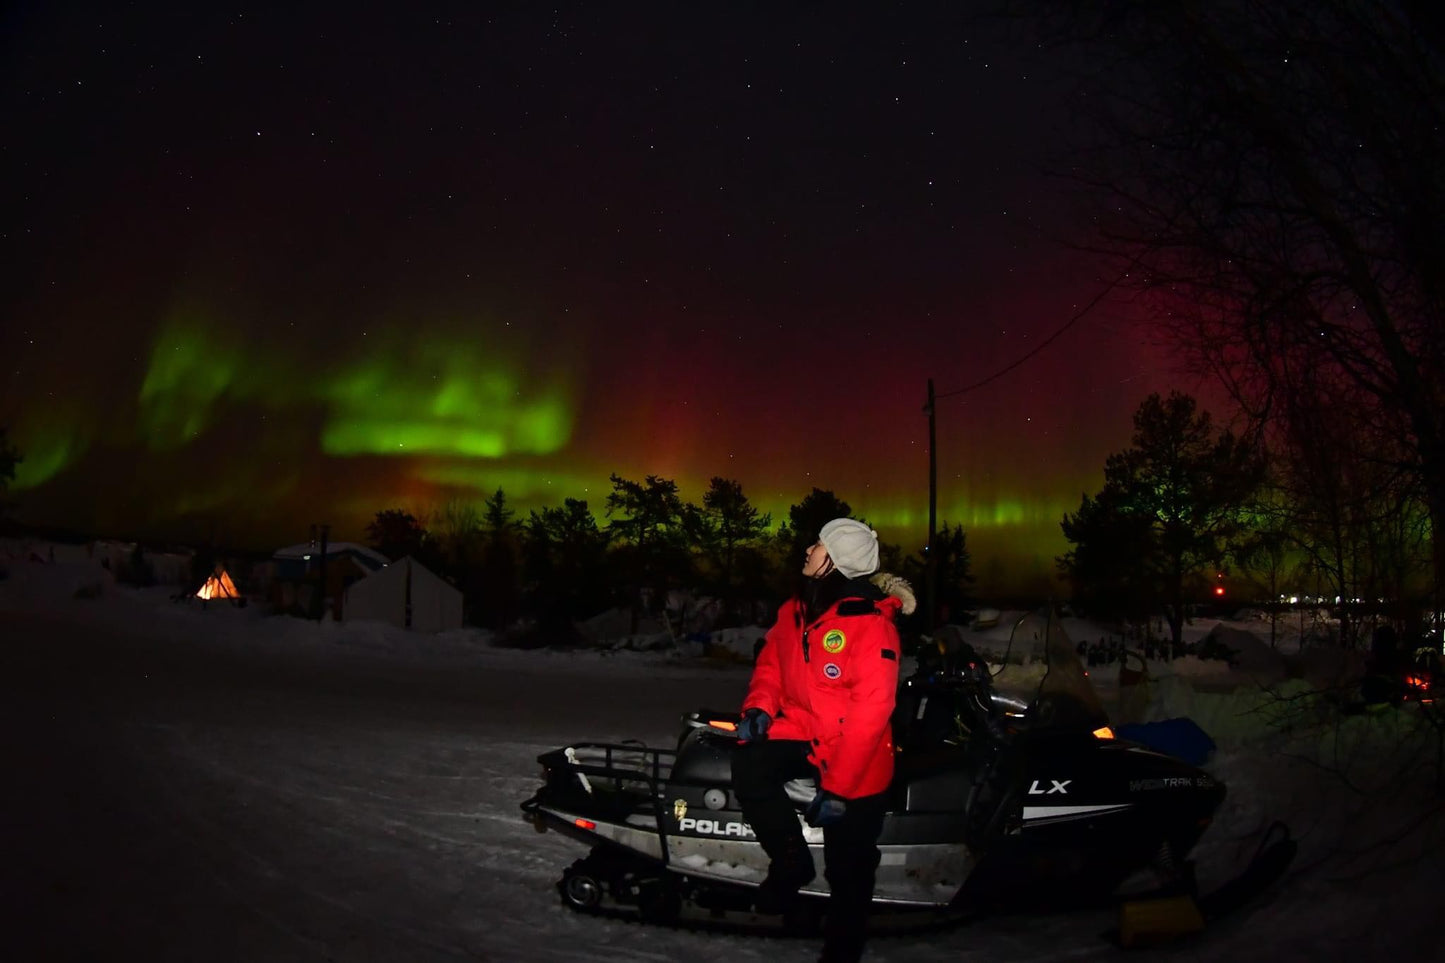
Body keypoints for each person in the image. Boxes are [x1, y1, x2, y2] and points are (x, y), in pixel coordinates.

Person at [731, 518, 915, 963]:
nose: (807, 550)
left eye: (817, 545)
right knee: (750, 767)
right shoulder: (798, 609)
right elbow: (773, 661)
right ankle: (791, 860)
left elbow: (871, 714)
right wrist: (759, 707)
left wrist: (838, 789)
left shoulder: (872, 626)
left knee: (848, 863)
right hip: (803, 730)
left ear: (834, 561)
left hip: (856, 755)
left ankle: (841, 950)